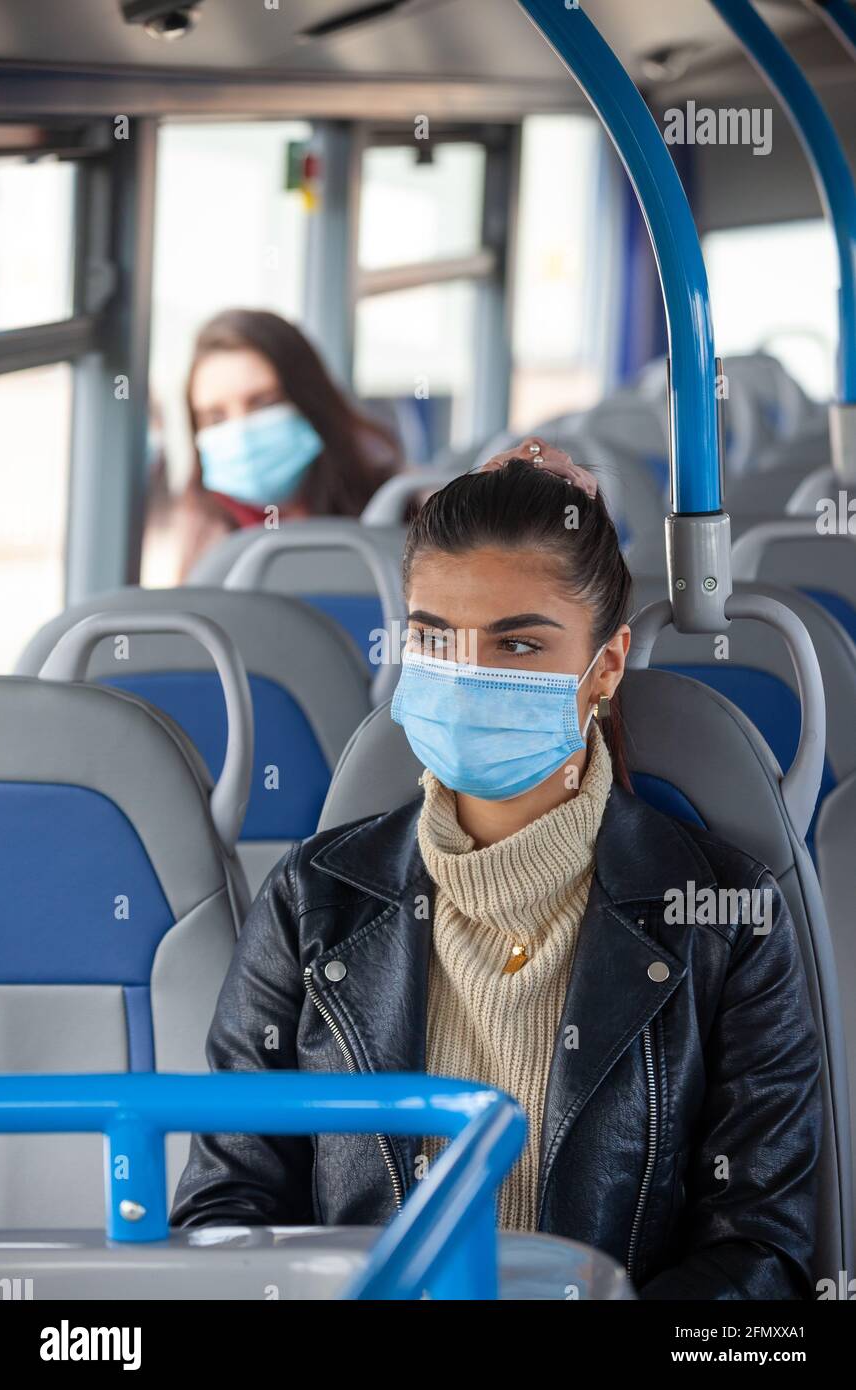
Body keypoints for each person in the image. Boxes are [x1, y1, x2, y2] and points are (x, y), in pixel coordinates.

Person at [171, 436, 822, 1300]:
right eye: (435, 641)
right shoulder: (312, 902)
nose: (468, 674)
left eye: (518, 647)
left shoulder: (725, 920)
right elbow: (228, 1207)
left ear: (607, 667)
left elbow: (760, 1255)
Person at [178, 308, 402, 575]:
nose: (241, 432)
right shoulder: (202, 543)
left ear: (310, 400)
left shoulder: (400, 511)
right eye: (215, 417)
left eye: (263, 402)